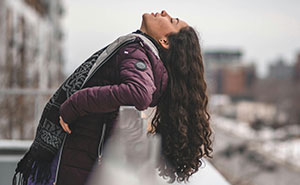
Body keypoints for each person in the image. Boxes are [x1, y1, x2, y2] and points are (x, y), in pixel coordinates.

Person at [13, 10, 213, 185]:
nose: (163, 12)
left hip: (78, 157)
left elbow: (139, 92)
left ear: (164, 41)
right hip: (83, 156)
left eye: (172, 20)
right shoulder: (139, 51)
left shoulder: (137, 51)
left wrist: (74, 103)